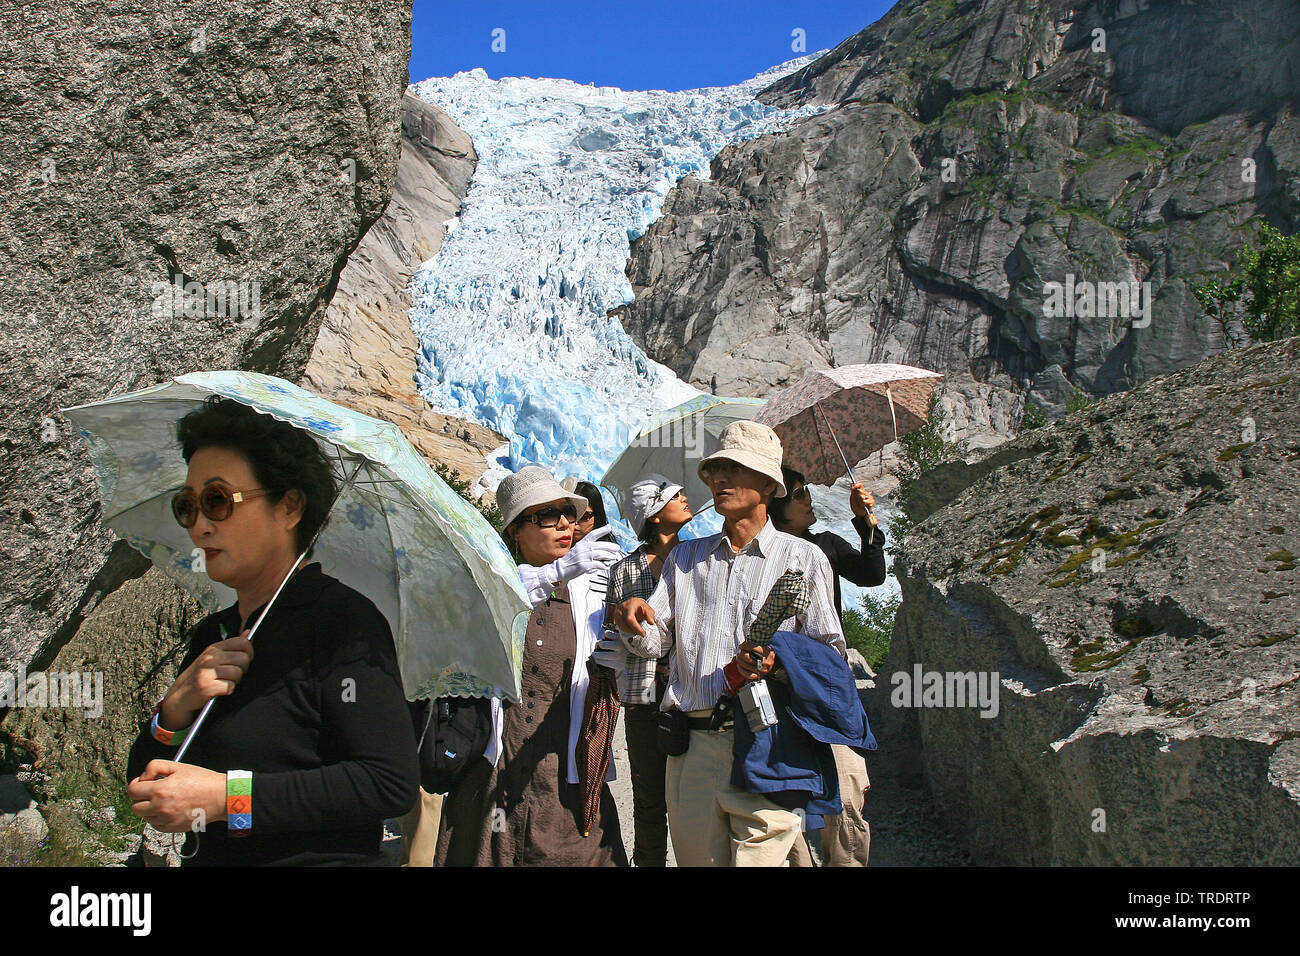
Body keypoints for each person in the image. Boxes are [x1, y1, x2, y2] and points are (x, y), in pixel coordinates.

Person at [126, 397, 419, 866]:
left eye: (218, 501)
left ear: (289, 506)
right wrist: (173, 711)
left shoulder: (341, 623)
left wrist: (227, 800)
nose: (199, 525)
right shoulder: (214, 635)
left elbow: (386, 781)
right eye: (187, 506)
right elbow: (146, 779)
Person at [615, 421, 845, 866]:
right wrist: (631, 620)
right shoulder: (686, 557)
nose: (719, 479)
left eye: (733, 469)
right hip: (692, 747)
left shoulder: (804, 558)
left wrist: (779, 663)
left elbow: (830, 654)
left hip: (767, 745)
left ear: (766, 484)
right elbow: (654, 643)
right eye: (715, 470)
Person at [435, 466, 628, 866]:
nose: (563, 524)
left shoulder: (592, 589)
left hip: (566, 771)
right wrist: (558, 571)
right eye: (545, 515)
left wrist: (622, 657)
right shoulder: (491, 580)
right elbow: (491, 605)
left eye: (568, 514)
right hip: (495, 769)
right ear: (515, 531)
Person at [769, 466, 886, 868]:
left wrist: (865, 520)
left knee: (849, 785)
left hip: (827, 683)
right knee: (786, 787)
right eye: (799, 495)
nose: (808, 500)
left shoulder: (827, 546)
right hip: (778, 682)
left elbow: (872, 575)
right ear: (777, 505)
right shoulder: (760, 556)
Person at [603, 474, 693, 866]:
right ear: (654, 514)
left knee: (695, 792)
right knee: (649, 795)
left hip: (693, 691)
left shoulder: (699, 559)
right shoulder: (622, 572)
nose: (685, 498)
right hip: (642, 695)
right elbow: (613, 629)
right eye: (675, 496)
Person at [561, 478, 609, 546]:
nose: (575, 522)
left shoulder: (605, 553)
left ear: (597, 517)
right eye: (569, 514)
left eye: (584, 516)